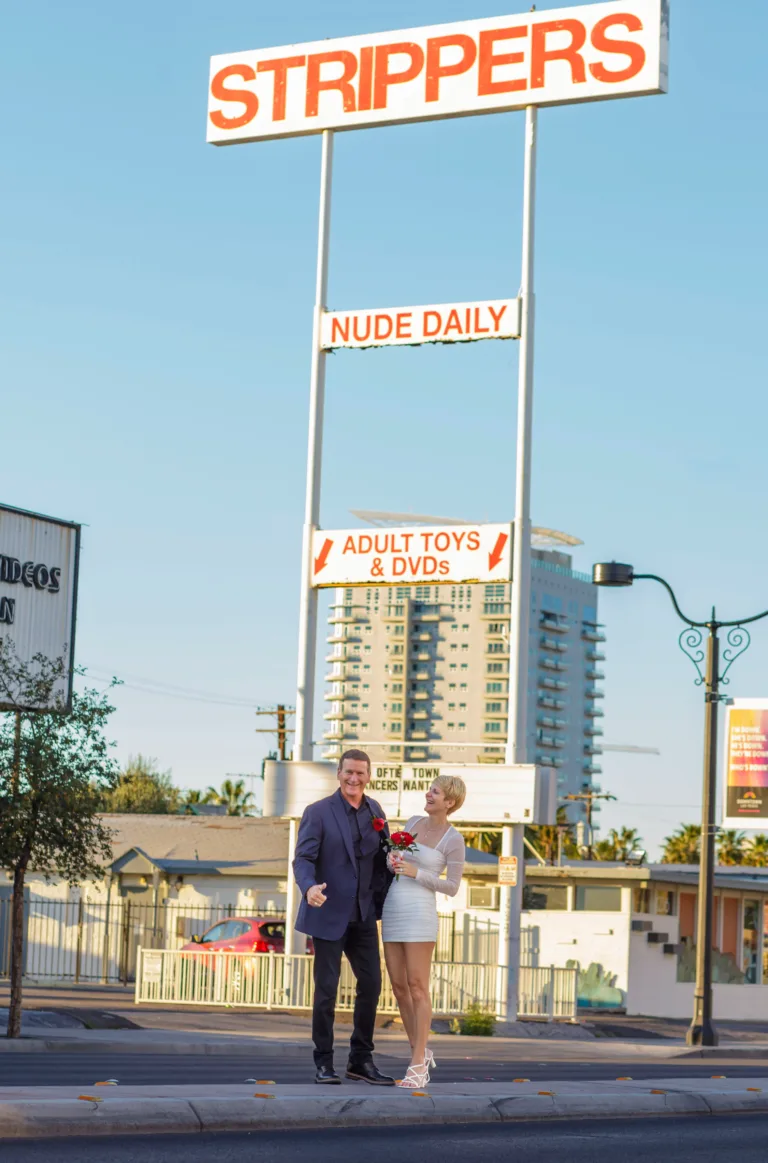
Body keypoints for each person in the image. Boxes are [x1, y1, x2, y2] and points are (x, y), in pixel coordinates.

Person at [292, 748, 394, 1086]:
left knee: (372, 985)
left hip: (363, 913)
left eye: (360, 773)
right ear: (338, 773)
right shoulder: (318, 812)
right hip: (329, 911)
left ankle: (360, 1060)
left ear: (368, 776)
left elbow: (383, 856)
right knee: (326, 990)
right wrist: (308, 888)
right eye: (348, 772)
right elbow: (303, 859)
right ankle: (324, 1062)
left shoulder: (375, 810)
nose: (354, 778)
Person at [382, 774, 466, 1089]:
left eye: (436, 792)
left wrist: (418, 873)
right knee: (399, 988)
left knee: (418, 986)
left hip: (420, 912)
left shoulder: (453, 839)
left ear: (450, 802)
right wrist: (394, 861)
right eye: (430, 789)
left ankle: (417, 1065)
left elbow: (453, 887)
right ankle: (420, 1049)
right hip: (394, 906)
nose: (429, 794)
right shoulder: (413, 821)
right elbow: (397, 863)